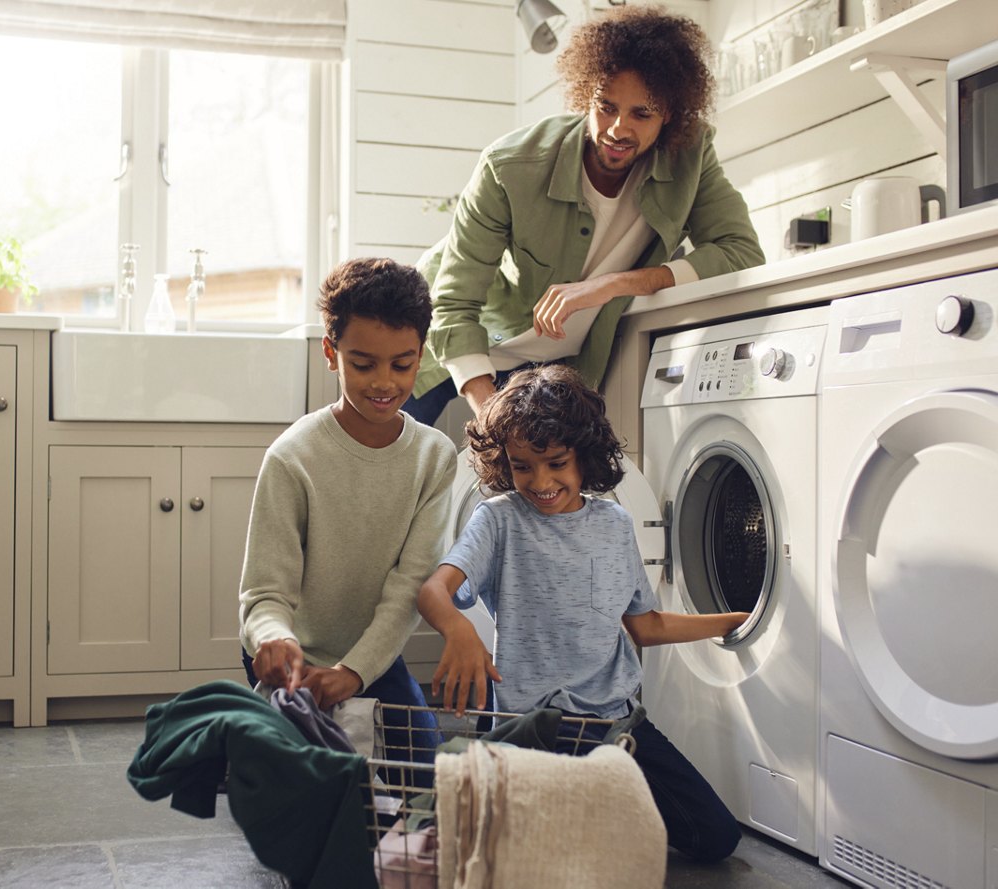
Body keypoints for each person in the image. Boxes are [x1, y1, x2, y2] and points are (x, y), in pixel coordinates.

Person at [417, 364, 749, 862]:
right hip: (531, 726)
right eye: (523, 465)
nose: (540, 480)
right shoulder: (499, 518)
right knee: (506, 852)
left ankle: (589, 814)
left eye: (555, 463)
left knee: (716, 839)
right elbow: (433, 592)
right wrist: (459, 630)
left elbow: (645, 625)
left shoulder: (614, 524)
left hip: (614, 723)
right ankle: (579, 818)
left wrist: (733, 621)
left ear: (583, 457)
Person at [406, 5, 764, 427]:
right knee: (392, 457)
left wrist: (609, 286)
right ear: (585, 93)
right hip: (455, 336)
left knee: (539, 483)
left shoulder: (690, 156)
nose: (616, 128)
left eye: (641, 113)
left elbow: (741, 252)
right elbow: (455, 304)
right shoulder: (509, 166)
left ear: (668, 113)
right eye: (605, 106)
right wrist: (493, 419)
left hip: (556, 363)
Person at [238, 257, 457, 772]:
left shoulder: (434, 457)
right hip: (287, 655)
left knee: (422, 780)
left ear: (421, 355)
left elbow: (408, 587)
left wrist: (354, 673)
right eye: (363, 364)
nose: (384, 383)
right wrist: (275, 640)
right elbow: (265, 594)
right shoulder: (292, 457)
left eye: (402, 365)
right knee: (303, 790)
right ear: (331, 353)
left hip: (370, 656)